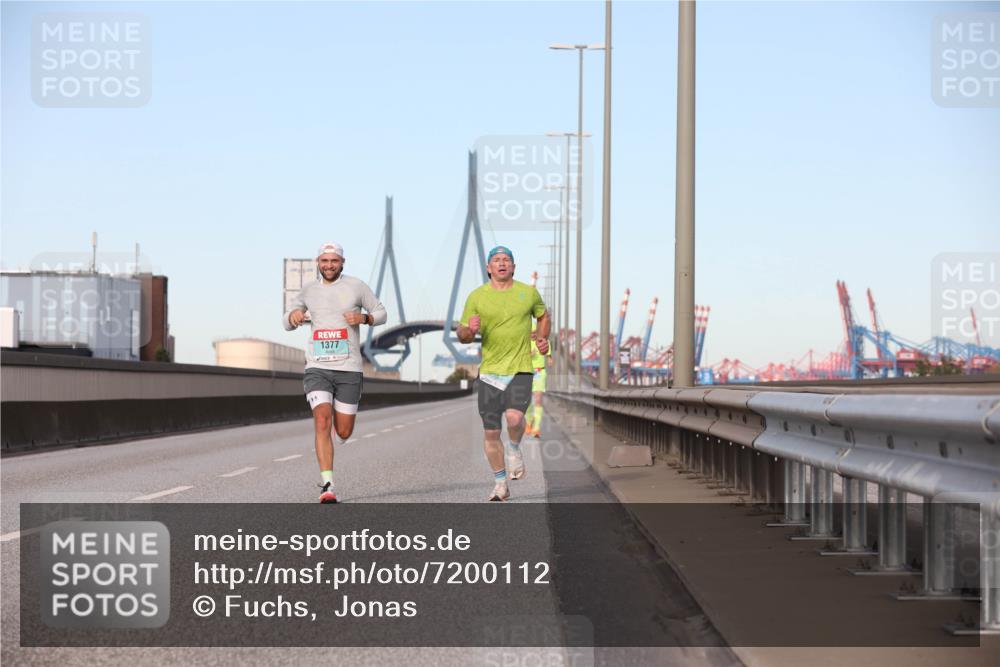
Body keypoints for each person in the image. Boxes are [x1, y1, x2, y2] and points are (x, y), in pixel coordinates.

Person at [284, 242, 387, 503]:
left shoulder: (356, 286)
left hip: (349, 368)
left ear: (342, 262)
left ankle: (336, 437)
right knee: (321, 420)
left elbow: (381, 312)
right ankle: (327, 485)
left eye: (334, 261)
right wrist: (295, 315)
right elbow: (287, 321)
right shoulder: (308, 290)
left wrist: (364, 319)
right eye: (324, 261)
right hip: (317, 366)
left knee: (343, 432)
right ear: (318, 262)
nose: (329, 265)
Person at [456, 245, 550, 501]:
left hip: (520, 368)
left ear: (513, 267)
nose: (501, 263)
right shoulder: (476, 297)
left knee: (515, 419)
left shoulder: (527, 293)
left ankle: (515, 448)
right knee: (490, 432)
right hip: (489, 373)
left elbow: (543, 316)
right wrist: (469, 330)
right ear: (488, 268)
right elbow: (462, 335)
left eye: (506, 260)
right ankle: (500, 483)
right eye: (496, 260)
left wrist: (543, 338)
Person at [524, 321, 551, 438]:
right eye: (531, 333)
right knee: (526, 401)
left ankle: (536, 428)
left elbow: (549, 355)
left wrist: (550, 358)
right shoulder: (524, 344)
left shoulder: (543, 342)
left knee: (538, 400)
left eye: (535, 332)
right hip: (527, 373)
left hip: (540, 373)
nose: (533, 334)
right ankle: (529, 420)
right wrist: (530, 354)